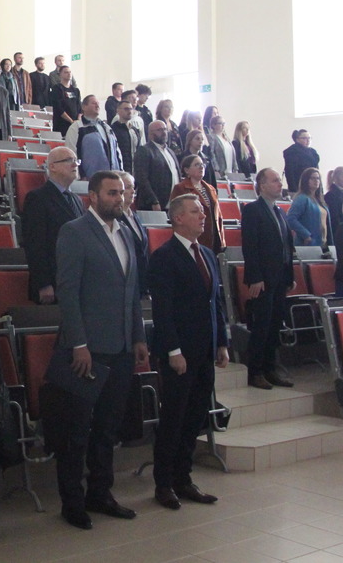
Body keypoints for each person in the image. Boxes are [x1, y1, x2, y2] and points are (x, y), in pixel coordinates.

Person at [53, 171, 148, 530]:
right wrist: (79, 343)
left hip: (121, 345)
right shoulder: (74, 232)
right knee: (77, 431)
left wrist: (138, 336)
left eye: (121, 192)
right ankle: (72, 501)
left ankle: (100, 493)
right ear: (92, 196)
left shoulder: (125, 232)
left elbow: (132, 292)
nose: (119, 198)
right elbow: (68, 292)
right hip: (87, 349)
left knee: (108, 428)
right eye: (111, 193)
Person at [148, 194, 229, 511]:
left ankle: (184, 478)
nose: (203, 216)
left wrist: (221, 342)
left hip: (205, 349)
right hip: (179, 352)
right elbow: (163, 310)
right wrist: (173, 350)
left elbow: (215, 303)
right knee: (174, 418)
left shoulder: (206, 254)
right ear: (178, 218)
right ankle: (164, 483)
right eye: (196, 211)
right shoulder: (164, 257)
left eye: (203, 211)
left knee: (195, 416)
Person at [240, 168, 295, 390]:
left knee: (275, 325)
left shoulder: (280, 211)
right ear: (262, 185)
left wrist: (290, 276)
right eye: (274, 181)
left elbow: (287, 247)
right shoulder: (253, 210)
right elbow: (250, 246)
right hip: (263, 279)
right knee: (262, 326)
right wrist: (255, 277)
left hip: (280, 278)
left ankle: (270, 368)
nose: (280, 184)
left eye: (279, 180)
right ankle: (255, 371)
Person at [21, 145, 83, 304]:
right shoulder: (37, 198)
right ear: (52, 167)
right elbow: (35, 244)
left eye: (76, 160)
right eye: (68, 160)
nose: (75, 164)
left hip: (78, 279)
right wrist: (43, 283)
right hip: (54, 281)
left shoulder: (76, 199)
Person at [170, 154, 224, 252]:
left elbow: (219, 216)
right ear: (187, 170)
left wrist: (222, 239)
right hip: (194, 237)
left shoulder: (210, 188)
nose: (201, 167)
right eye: (197, 165)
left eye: (202, 164)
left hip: (214, 237)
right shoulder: (181, 188)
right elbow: (176, 215)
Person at [65, 95, 123, 178]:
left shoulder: (107, 127)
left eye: (98, 103)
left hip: (112, 177)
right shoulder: (76, 127)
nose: (97, 105)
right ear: (84, 107)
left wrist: (121, 172)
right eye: (94, 103)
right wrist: (79, 176)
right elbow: (71, 152)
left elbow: (117, 152)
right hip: (89, 178)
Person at [134, 120, 180, 211]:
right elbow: (141, 178)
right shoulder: (144, 150)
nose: (164, 132)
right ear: (150, 133)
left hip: (172, 204)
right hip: (153, 205)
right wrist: (153, 201)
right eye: (159, 130)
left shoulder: (170, 152)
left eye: (165, 129)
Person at [286, 167, 330, 251]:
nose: (316, 181)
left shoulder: (319, 199)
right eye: (312, 178)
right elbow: (290, 219)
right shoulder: (302, 198)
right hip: (308, 244)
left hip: (323, 243)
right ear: (305, 180)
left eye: (318, 178)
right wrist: (306, 235)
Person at [110, 96, 143, 176]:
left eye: (131, 109)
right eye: (126, 109)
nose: (129, 111)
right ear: (118, 111)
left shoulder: (135, 130)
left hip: (135, 170)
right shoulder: (112, 130)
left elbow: (139, 150)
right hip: (120, 170)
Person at [282, 129, 319, 193]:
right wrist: (294, 190)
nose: (308, 140)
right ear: (297, 139)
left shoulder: (313, 152)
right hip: (298, 184)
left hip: (313, 185)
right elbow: (289, 172)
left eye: (309, 138)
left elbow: (317, 170)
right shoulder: (291, 152)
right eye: (304, 138)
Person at [50, 66, 81, 137]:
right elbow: (58, 108)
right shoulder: (56, 89)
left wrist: (77, 121)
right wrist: (71, 121)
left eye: (70, 72)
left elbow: (79, 108)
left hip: (75, 124)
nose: (69, 74)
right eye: (66, 72)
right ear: (60, 74)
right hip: (61, 124)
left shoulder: (76, 90)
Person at [207, 116, 235, 180]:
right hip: (220, 171)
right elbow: (212, 153)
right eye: (220, 123)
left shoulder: (227, 138)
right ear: (213, 125)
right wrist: (216, 168)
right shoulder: (211, 137)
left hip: (230, 171)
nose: (223, 125)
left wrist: (235, 168)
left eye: (224, 123)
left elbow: (233, 154)